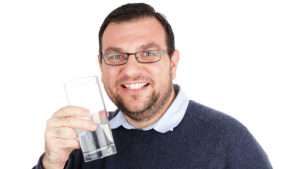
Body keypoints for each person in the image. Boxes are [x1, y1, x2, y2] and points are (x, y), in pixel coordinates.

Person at [33, 3, 272, 169]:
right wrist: (51, 164)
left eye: (148, 53)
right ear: (101, 64)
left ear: (173, 62)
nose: (130, 70)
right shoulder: (84, 140)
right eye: (116, 57)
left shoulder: (228, 140)